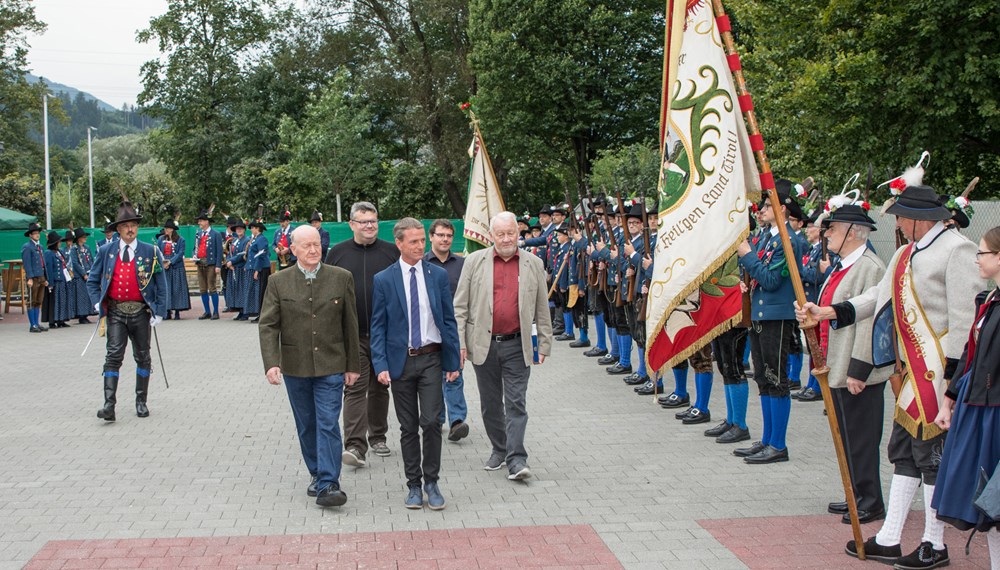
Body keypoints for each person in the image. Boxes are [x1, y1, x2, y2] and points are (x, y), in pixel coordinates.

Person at [800, 181, 983, 568]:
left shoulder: (957, 250)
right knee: (903, 452)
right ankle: (890, 537)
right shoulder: (903, 252)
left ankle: (935, 543)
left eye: (902, 215)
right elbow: (876, 300)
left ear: (919, 219)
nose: (898, 220)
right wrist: (831, 311)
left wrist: (953, 377)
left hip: (938, 371)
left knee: (930, 455)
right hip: (912, 373)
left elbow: (965, 318)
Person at [796, 199, 889, 525]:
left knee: (861, 437)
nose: (827, 234)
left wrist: (858, 369)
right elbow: (829, 307)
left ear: (853, 232)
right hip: (834, 362)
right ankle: (855, 493)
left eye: (832, 229)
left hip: (855, 367)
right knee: (846, 435)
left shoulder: (871, 267)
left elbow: (870, 322)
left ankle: (870, 500)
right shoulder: (842, 264)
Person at [258, 225, 360, 508]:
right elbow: (268, 325)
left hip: (332, 364)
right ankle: (316, 473)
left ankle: (329, 483)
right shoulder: (279, 282)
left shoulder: (341, 278)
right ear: (294, 250)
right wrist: (271, 363)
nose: (314, 250)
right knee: (307, 425)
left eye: (316, 244)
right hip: (295, 366)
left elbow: (350, 325)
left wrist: (353, 365)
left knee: (328, 423)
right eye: (307, 246)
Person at [454, 211, 553, 481]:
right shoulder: (474, 262)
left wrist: (544, 342)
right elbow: (460, 307)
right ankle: (499, 448)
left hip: (518, 345)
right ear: (492, 236)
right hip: (484, 345)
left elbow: (542, 308)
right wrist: (460, 343)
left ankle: (516, 459)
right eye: (501, 234)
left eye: (511, 233)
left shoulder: (534, 263)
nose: (506, 238)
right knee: (490, 404)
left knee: (516, 403)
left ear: (518, 234)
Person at [370, 217, 461, 510]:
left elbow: (448, 320)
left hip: (432, 359)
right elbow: (378, 326)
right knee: (408, 427)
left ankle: (432, 482)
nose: (421, 246)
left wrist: (453, 360)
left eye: (423, 240)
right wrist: (380, 364)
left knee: (432, 422)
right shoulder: (384, 279)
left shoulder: (436, 275)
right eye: (414, 241)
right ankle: (413, 485)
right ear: (399, 243)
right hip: (401, 363)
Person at [931, 226, 1000, 568]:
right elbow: (970, 355)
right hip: (979, 409)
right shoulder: (988, 301)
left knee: (995, 499)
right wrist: (950, 398)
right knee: (987, 504)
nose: (978, 259)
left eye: (983, 253)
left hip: (995, 411)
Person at [734, 180, 808, 464]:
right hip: (760, 315)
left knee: (776, 379)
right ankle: (766, 439)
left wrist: (748, 256)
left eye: (767, 205)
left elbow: (772, 280)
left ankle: (778, 444)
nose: (762, 210)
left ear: (782, 209)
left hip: (778, 318)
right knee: (763, 378)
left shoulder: (789, 241)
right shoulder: (768, 237)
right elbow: (756, 273)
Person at [325, 201, 399, 466]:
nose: (370, 226)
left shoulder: (392, 252)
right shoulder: (338, 254)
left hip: (385, 334)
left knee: (380, 386)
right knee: (354, 387)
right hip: (351, 334)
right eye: (364, 221)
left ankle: (378, 436)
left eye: (374, 221)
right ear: (352, 224)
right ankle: (355, 446)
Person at [87, 201, 167, 422]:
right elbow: (93, 280)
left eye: (134, 225)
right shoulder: (106, 251)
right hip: (115, 312)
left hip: (141, 312)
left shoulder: (150, 251)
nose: (131, 229)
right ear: (118, 229)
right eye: (126, 226)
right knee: (113, 356)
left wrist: (159, 311)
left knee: (143, 356)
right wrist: (97, 303)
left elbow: (161, 283)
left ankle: (141, 401)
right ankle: (109, 405)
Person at [424, 219, 470, 442]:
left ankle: (457, 421)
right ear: (431, 236)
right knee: (433, 378)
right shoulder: (421, 263)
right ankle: (438, 417)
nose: (445, 239)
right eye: (440, 235)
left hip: (454, 330)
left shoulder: (462, 265)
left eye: (449, 236)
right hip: (428, 331)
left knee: (454, 374)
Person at [192, 209, 223, 320]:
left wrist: (218, 265)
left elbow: (219, 251)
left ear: (207, 222)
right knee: (202, 289)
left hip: (211, 264)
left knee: (212, 288)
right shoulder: (199, 234)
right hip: (200, 263)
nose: (199, 223)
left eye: (201, 221)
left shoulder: (216, 234)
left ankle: (215, 311)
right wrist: (194, 256)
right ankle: (207, 311)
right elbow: (195, 248)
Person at [157, 220, 190, 320]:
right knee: (166, 289)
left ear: (172, 229)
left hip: (176, 268)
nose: (166, 230)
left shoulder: (180, 240)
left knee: (177, 289)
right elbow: (158, 251)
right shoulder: (161, 239)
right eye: (165, 228)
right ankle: (167, 311)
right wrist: (163, 262)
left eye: (168, 228)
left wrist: (170, 262)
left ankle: (177, 311)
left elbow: (180, 253)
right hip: (165, 268)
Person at [43, 230, 75, 328]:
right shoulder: (49, 253)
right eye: (59, 241)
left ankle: (61, 319)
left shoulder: (59, 252)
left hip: (63, 280)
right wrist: (50, 283)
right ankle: (52, 321)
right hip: (56, 281)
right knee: (55, 302)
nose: (60, 243)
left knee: (62, 301)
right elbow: (49, 269)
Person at [20, 222, 48, 333]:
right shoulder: (27, 247)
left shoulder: (40, 246)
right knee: (31, 300)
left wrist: (45, 278)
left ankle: (37, 323)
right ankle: (33, 325)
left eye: (38, 233)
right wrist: (29, 277)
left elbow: (43, 263)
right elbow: (27, 263)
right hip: (33, 277)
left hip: (41, 276)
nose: (37, 235)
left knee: (38, 301)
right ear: (30, 235)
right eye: (35, 233)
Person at [244, 219, 271, 323]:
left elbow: (261, 255)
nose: (251, 229)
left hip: (262, 268)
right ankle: (259, 313)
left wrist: (257, 270)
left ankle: (262, 315)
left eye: (253, 228)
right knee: (258, 292)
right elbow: (252, 255)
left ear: (257, 229)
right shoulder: (255, 239)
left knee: (261, 291)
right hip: (256, 267)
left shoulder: (262, 239)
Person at [70, 228, 97, 324]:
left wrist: (93, 271)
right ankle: (81, 315)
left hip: (89, 273)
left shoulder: (87, 247)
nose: (85, 238)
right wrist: (83, 274)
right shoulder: (74, 249)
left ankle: (88, 313)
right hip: (80, 276)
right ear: (78, 239)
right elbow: (75, 263)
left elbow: (91, 260)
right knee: (81, 295)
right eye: (83, 237)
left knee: (88, 295)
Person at [224, 217, 250, 320]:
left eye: (241, 228)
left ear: (244, 229)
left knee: (242, 290)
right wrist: (228, 262)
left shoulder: (246, 240)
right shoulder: (234, 241)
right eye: (237, 229)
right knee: (236, 291)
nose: (239, 230)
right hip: (234, 269)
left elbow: (242, 254)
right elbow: (229, 252)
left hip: (241, 268)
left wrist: (231, 261)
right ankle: (239, 310)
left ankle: (245, 312)